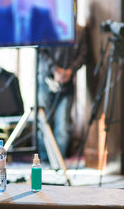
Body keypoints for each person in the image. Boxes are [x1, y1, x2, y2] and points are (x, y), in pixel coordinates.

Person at [37, 25, 87, 160]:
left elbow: (83, 54)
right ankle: (44, 159)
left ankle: (59, 161)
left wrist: (71, 71)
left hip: (67, 83)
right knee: (44, 121)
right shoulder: (47, 27)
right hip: (46, 79)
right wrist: (55, 69)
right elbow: (40, 52)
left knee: (63, 124)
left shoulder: (80, 32)